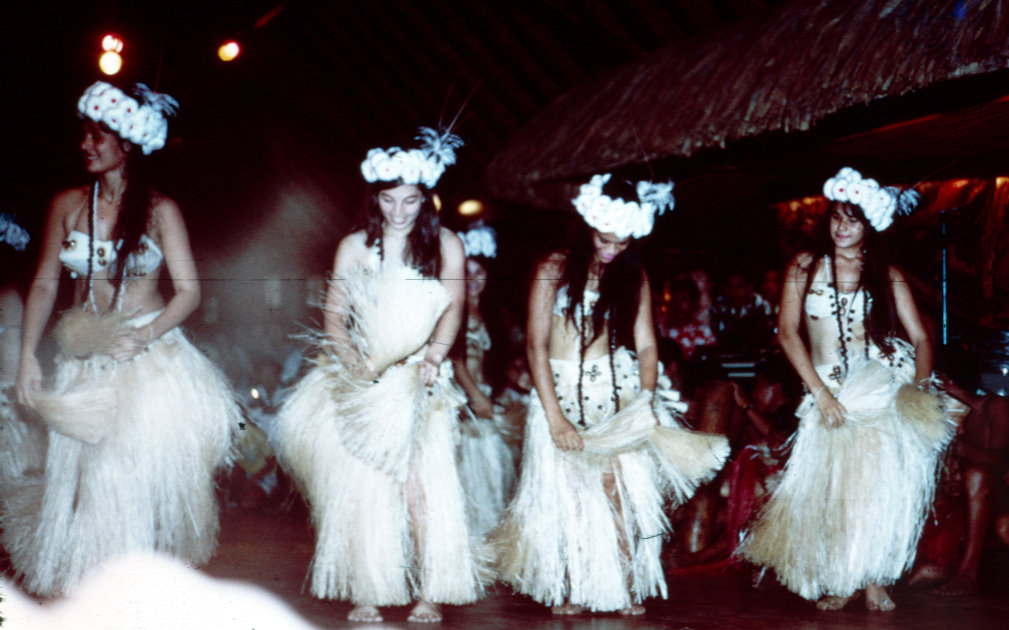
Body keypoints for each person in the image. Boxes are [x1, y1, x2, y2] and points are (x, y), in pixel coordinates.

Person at [6, 81, 238, 597]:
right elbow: (44, 283)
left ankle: (128, 585)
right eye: (84, 135)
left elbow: (190, 292)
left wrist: (144, 335)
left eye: (97, 136)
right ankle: (99, 581)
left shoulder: (159, 211)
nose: (85, 145)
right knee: (89, 478)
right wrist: (27, 357)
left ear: (127, 144)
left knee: (122, 473)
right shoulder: (68, 205)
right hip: (86, 358)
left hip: (148, 356)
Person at [494, 173, 729, 616]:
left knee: (617, 489)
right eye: (604, 240)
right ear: (586, 225)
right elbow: (536, 345)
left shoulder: (632, 274)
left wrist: (644, 400)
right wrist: (555, 418)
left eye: (622, 243)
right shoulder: (553, 267)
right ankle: (572, 586)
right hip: (560, 391)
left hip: (614, 390)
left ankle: (623, 583)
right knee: (568, 493)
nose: (612, 250)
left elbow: (647, 345)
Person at [274, 127, 484, 623]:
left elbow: (453, 308)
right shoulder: (354, 246)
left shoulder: (446, 244)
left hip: (420, 379)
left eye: (409, 200)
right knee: (366, 487)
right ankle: (367, 587)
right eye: (388, 200)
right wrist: (352, 360)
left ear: (425, 198)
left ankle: (431, 590)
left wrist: (434, 356)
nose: (399, 211)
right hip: (364, 377)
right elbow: (334, 315)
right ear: (375, 198)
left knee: (420, 488)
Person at [739, 167, 960, 611]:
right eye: (837, 217)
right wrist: (820, 394)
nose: (842, 227)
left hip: (877, 390)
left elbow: (922, 338)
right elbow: (787, 332)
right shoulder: (805, 265)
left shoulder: (885, 274)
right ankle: (844, 578)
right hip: (827, 392)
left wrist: (917, 391)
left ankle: (874, 578)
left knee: (876, 488)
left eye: (853, 221)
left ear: (869, 227)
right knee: (835, 492)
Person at [452, 223, 517, 535]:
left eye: (479, 272)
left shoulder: (495, 314)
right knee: (469, 467)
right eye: (466, 272)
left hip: (486, 398)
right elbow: (455, 359)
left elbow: (503, 360)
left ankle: (490, 538)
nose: (473, 279)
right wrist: (474, 396)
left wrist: (506, 388)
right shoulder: (452, 310)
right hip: (460, 400)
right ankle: (470, 539)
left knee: (494, 469)